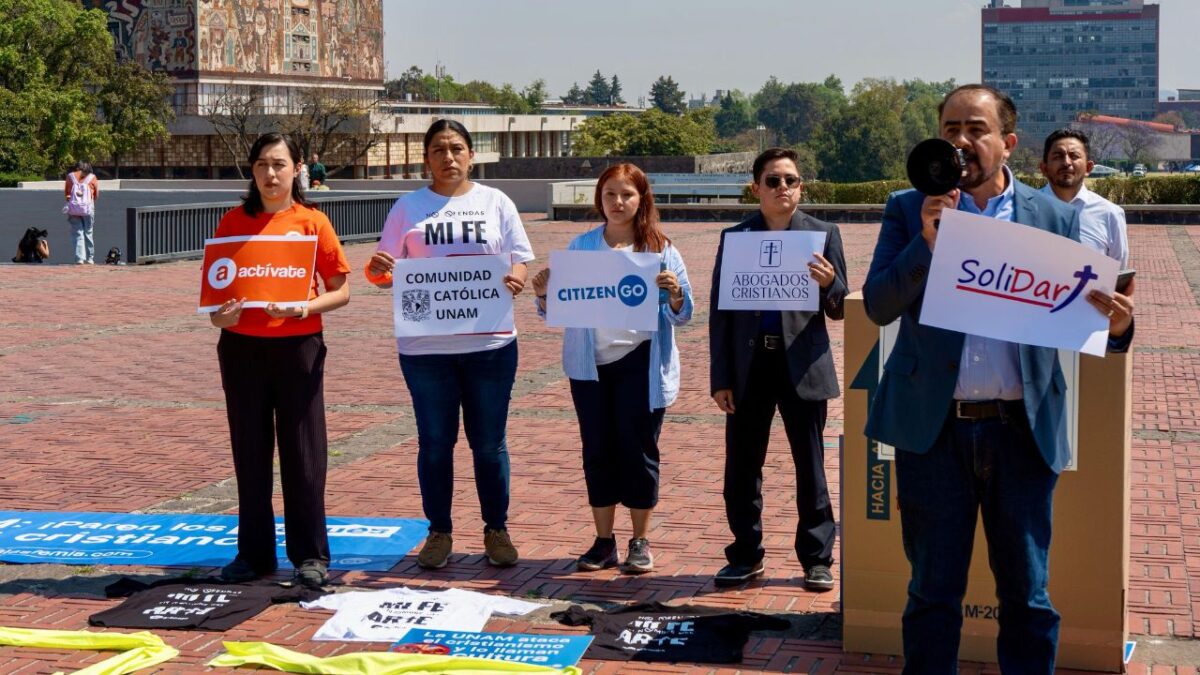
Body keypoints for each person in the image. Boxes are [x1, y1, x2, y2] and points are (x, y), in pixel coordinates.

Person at [862, 84, 1134, 674]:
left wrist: (1114, 327)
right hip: (934, 434)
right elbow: (879, 305)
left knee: (1028, 597)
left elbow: (1082, 314)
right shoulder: (909, 207)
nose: (961, 141)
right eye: (950, 128)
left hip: (1021, 433)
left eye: (975, 129)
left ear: (1007, 143)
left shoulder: (1055, 217)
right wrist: (927, 243)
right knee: (932, 595)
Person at [365, 119, 534, 570]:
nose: (449, 157)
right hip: (426, 350)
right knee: (435, 443)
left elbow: (520, 261)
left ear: (471, 155)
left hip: (491, 346)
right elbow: (386, 274)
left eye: (457, 148)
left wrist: (515, 279)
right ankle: (438, 532)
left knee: (489, 444)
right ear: (426, 158)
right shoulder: (407, 207)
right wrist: (380, 269)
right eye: (439, 149)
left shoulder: (496, 202)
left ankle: (496, 530)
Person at [529, 163, 693, 574]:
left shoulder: (661, 249)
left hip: (641, 361)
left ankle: (641, 540)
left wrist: (674, 294)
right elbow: (558, 308)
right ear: (599, 199)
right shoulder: (582, 247)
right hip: (590, 367)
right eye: (610, 195)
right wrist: (546, 293)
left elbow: (685, 312)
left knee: (639, 452)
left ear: (642, 200)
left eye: (627, 195)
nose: (618, 203)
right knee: (597, 451)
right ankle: (604, 542)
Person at [208, 132, 350, 589]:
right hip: (241, 348)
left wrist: (304, 308)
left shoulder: (313, 222)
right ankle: (253, 554)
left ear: (297, 168)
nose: (271, 174)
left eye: (279, 164)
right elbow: (215, 296)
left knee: (304, 452)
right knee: (250, 452)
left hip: (299, 347)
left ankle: (310, 555)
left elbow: (341, 290)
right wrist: (219, 317)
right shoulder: (232, 222)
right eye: (263, 165)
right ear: (251, 171)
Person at [709, 148, 847, 592]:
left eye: (790, 180)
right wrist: (721, 378)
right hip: (750, 368)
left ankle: (816, 557)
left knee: (811, 467)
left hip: (802, 366)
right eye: (773, 180)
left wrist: (831, 284)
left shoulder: (823, 233)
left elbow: (841, 307)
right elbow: (720, 314)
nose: (782, 188)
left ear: (801, 186)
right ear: (756, 188)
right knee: (742, 467)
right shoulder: (736, 238)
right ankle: (745, 554)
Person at [1039, 129, 1130, 267]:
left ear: (1088, 167)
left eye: (1074, 156)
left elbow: (1118, 277)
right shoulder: (1023, 209)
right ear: (1044, 168)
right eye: (1058, 156)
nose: (1066, 162)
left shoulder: (1110, 214)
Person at [64, 161, 98, 264]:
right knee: (88, 232)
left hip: (74, 209)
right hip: (88, 209)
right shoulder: (92, 177)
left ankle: (80, 258)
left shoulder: (70, 177)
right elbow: (96, 195)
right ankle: (90, 258)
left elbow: (67, 193)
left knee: (77, 233)